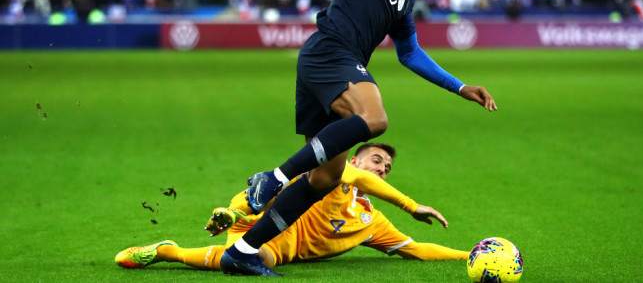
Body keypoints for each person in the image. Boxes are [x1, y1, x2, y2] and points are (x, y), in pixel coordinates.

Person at [223, 0, 497, 276]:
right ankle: (275, 177)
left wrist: (461, 88)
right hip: (331, 51)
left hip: (330, 65)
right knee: (374, 118)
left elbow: (411, 54)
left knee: (325, 180)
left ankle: (243, 249)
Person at [115, 143, 469, 271]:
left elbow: (417, 249)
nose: (382, 169)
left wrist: (468, 255)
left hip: (278, 249)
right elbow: (362, 180)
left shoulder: (371, 222)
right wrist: (411, 205)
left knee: (243, 263)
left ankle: (167, 251)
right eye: (376, 161)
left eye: (387, 168)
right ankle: (231, 216)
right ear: (356, 161)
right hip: (262, 218)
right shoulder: (335, 174)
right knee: (262, 197)